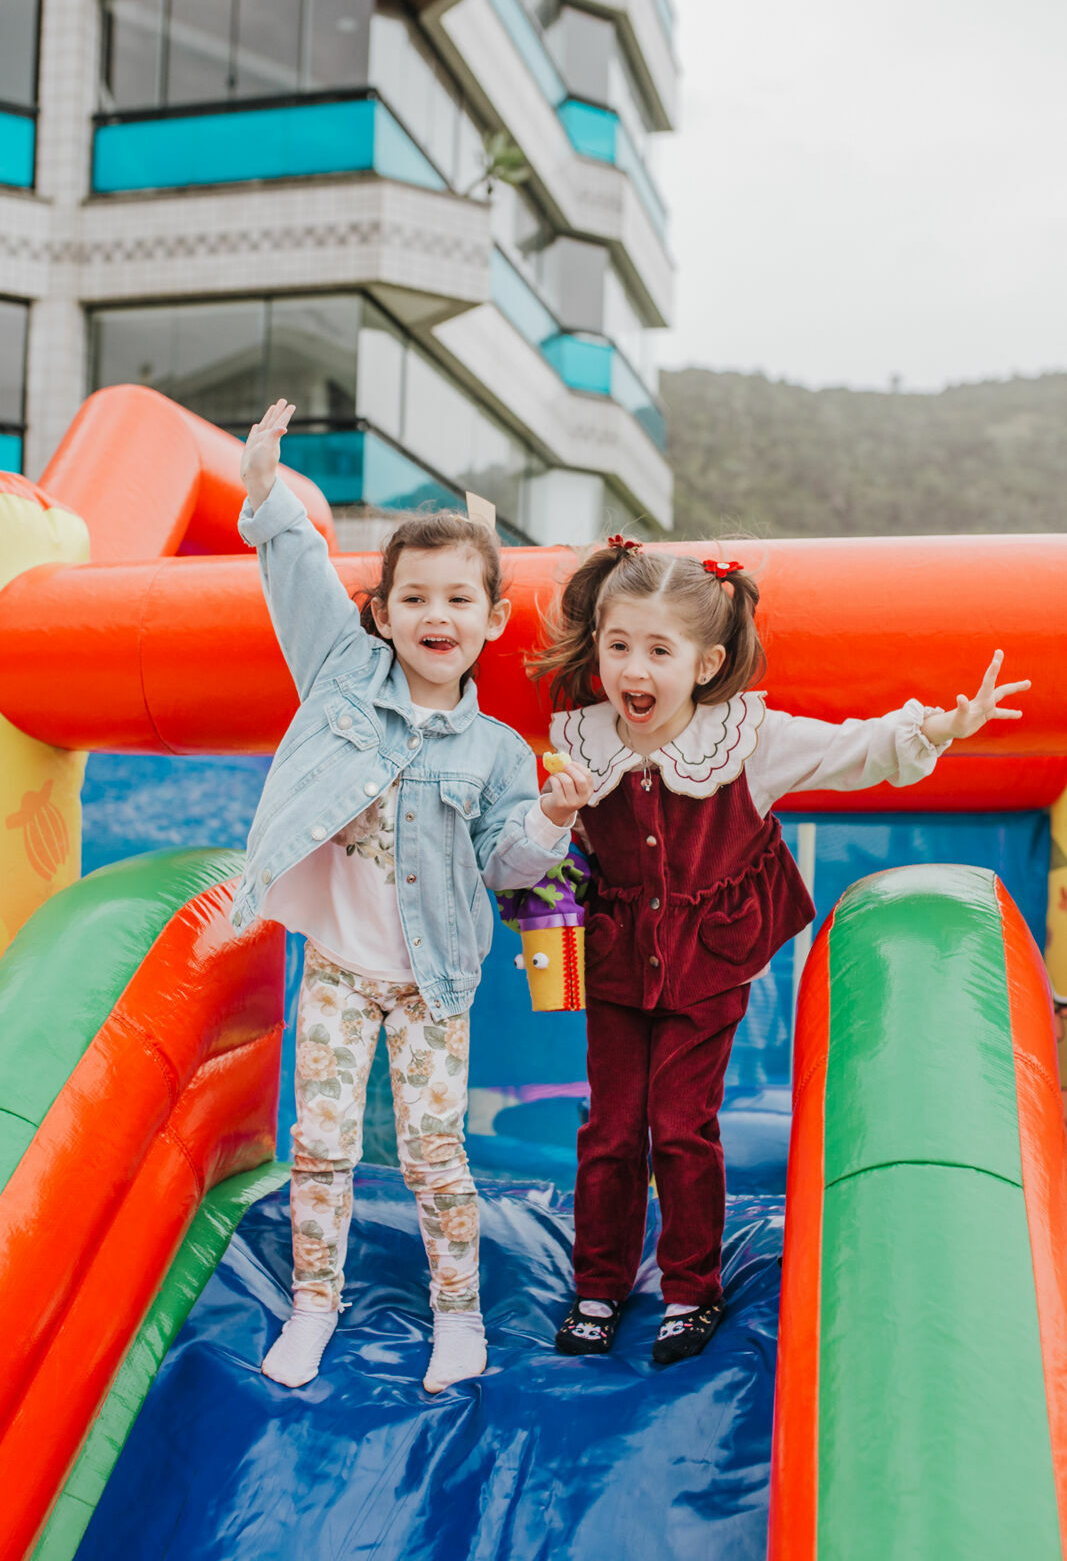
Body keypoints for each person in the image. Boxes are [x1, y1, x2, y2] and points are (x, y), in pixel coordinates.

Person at [530, 537, 1030, 1364]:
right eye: (617, 646)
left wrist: (941, 724)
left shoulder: (747, 738)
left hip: (709, 960)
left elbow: (854, 750)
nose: (634, 670)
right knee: (612, 1129)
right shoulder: (578, 740)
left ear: (705, 661)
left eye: (659, 650)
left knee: (681, 1125)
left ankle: (691, 1288)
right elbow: (541, 850)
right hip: (619, 959)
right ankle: (599, 1282)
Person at [232, 401, 593, 1393]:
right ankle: (314, 1301)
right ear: (381, 614)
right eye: (417, 599)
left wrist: (554, 821)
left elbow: (510, 864)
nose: (438, 616)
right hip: (341, 974)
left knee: (437, 1153)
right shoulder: (341, 673)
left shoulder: (496, 753)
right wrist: (265, 487)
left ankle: (457, 1311)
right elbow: (296, 576)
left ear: (490, 619)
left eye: (459, 600)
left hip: (434, 981)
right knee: (321, 1139)